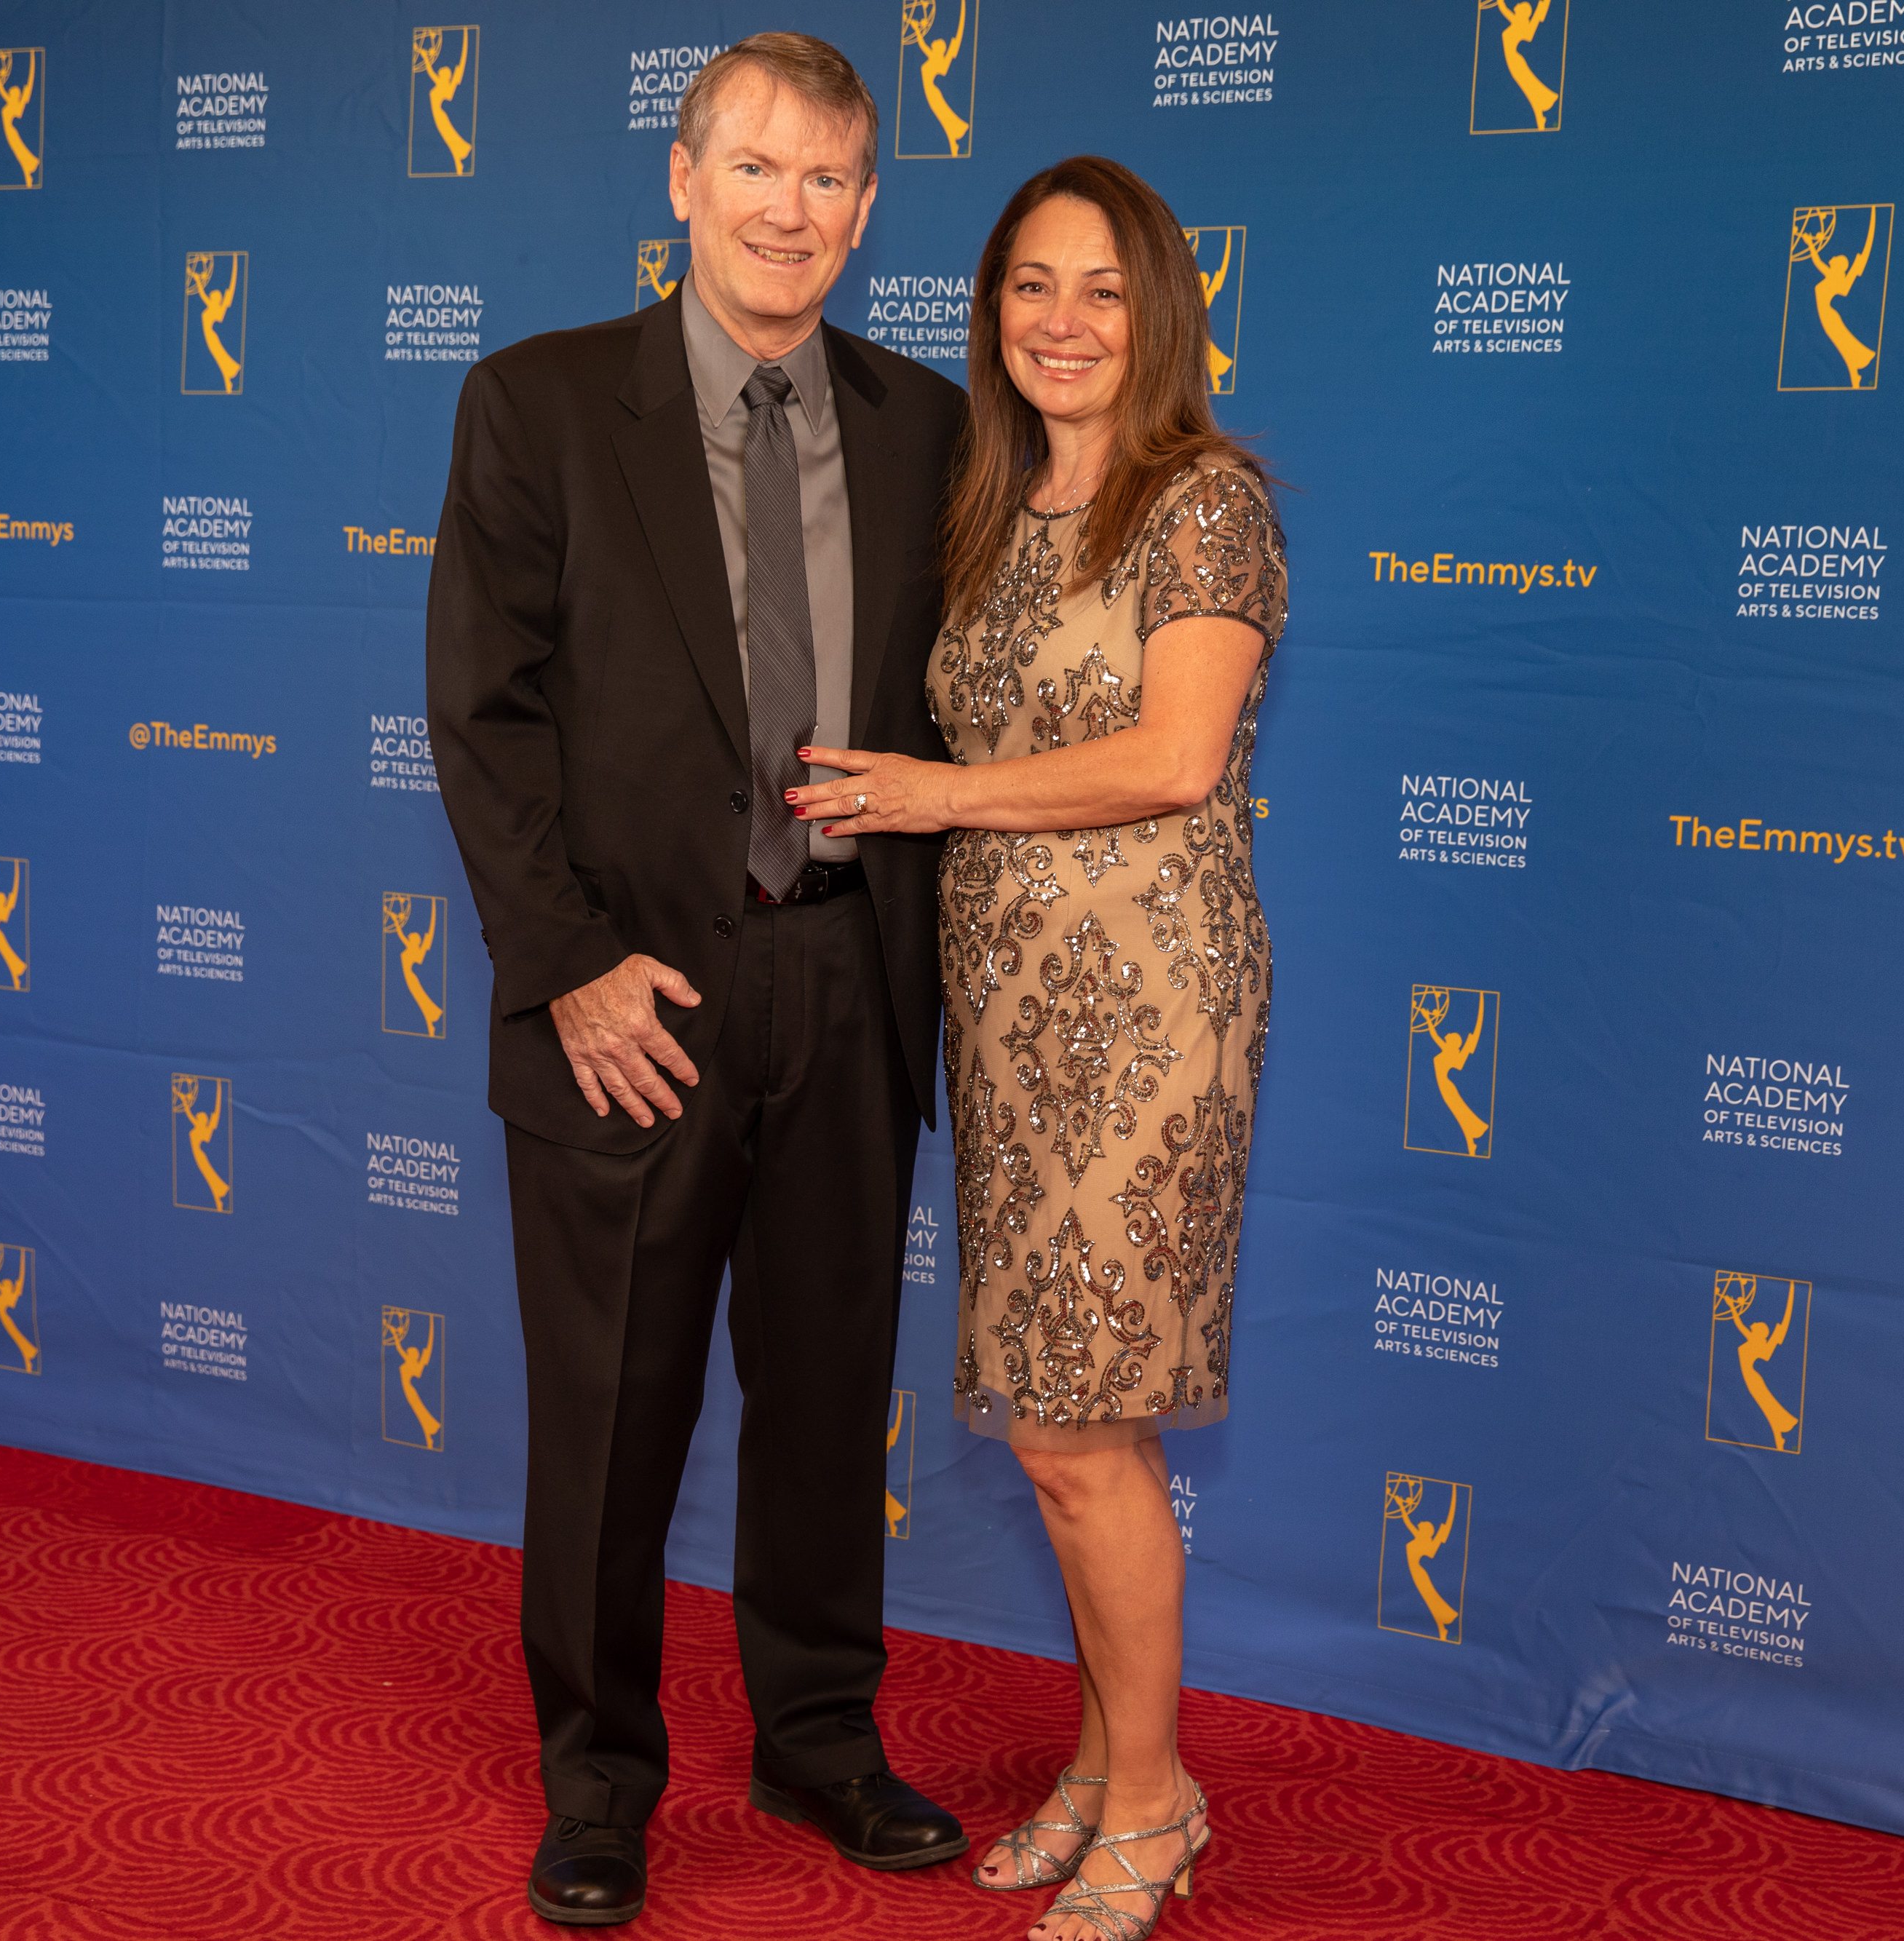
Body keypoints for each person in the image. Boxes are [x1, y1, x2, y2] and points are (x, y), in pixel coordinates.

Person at [423, 34, 969, 1929]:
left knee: (826, 1399)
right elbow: (482, 713)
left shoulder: (928, 426)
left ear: (867, 209)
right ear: (681, 180)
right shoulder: (540, 401)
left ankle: (819, 1740)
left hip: (848, 981)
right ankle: (597, 1779)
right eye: (754, 168)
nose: (786, 211)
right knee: (609, 1413)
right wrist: (569, 967)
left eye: (825, 180)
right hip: (630, 1005)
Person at [796, 154, 1286, 1941]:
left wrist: (930, 794)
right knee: (1060, 1429)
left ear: (1159, 313)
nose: (1062, 322)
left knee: (1081, 1428)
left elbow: (1172, 757)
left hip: (1146, 1013)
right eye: (1028, 285)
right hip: (1006, 1014)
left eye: (1101, 289)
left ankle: (1151, 1802)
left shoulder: (1204, 500)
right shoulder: (989, 504)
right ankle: (1101, 1761)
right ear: (988, 307)